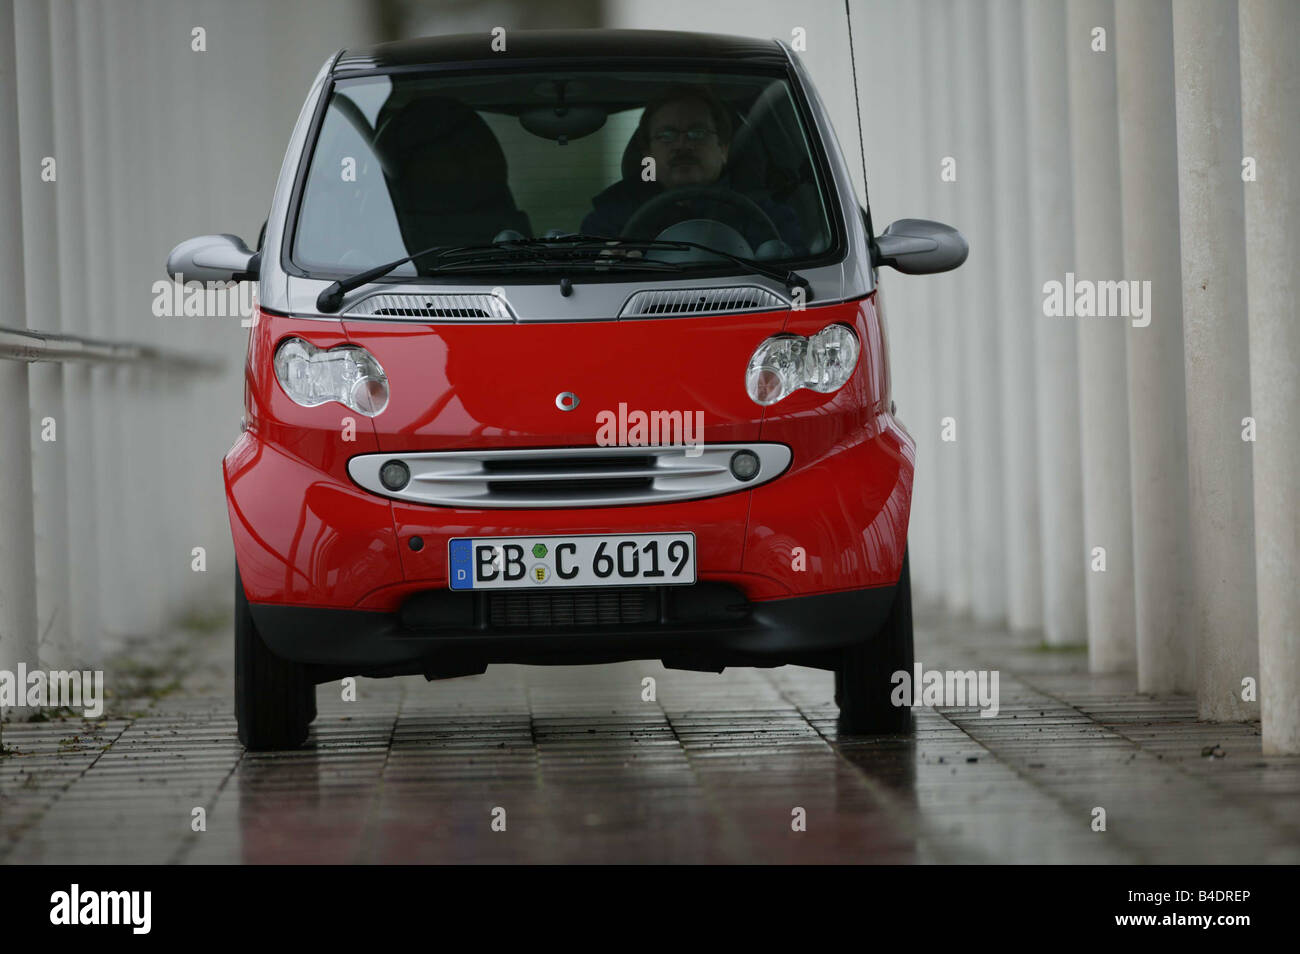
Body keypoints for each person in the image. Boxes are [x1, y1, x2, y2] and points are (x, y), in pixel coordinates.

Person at [580, 85, 805, 255]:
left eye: (697, 133)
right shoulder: (611, 218)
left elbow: (799, 275)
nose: (682, 145)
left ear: (723, 149)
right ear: (648, 154)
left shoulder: (768, 217)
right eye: (667, 136)